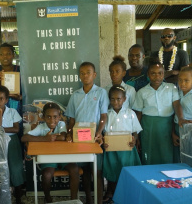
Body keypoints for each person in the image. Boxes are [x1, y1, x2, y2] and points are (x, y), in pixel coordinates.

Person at [65, 62, 109, 204]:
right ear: (79, 76)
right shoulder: (75, 95)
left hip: (95, 139)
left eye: (88, 72)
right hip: (79, 138)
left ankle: (99, 201)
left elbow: (104, 117)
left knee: (96, 172)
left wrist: (99, 132)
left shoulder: (101, 92)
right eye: (82, 73)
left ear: (94, 75)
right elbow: (71, 119)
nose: (85, 75)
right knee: (82, 169)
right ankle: (88, 199)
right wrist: (70, 133)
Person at [22, 103, 79, 203]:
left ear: (59, 117)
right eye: (48, 117)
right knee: (46, 175)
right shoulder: (41, 127)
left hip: (63, 157)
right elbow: (24, 138)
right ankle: (48, 198)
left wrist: (50, 138)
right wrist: (44, 138)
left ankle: (73, 200)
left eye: (55, 117)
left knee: (74, 169)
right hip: (48, 158)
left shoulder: (61, 124)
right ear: (43, 117)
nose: (52, 121)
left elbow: (63, 136)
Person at [133, 60, 186, 165]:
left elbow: (176, 104)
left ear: (164, 74)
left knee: (167, 153)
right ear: (148, 75)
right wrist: (136, 135)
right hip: (148, 126)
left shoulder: (171, 88)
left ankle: (168, 180)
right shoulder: (142, 92)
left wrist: (180, 118)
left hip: (167, 125)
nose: (157, 76)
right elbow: (138, 114)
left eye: (160, 73)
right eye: (153, 73)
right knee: (150, 154)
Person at [102, 85, 142, 204]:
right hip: (112, 149)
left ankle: (127, 193)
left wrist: (134, 139)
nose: (115, 102)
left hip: (127, 149)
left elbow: (135, 131)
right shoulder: (107, 114)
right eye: (112, 99)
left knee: (126, 170)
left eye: (118, 99)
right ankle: (112, 193)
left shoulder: (130, 113)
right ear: (109, 100)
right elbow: (104, 132)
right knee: (113, 170)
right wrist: (104, 142)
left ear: (124, 99)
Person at [0, 85, 24, 204]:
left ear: (7, 100)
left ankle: (18, 198)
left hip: (13, 142)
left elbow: (16, 130)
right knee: (2, 169)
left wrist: (1, 128)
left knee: (16, 168)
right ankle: (4, 197)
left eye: (1, 98)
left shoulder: (13, 112)